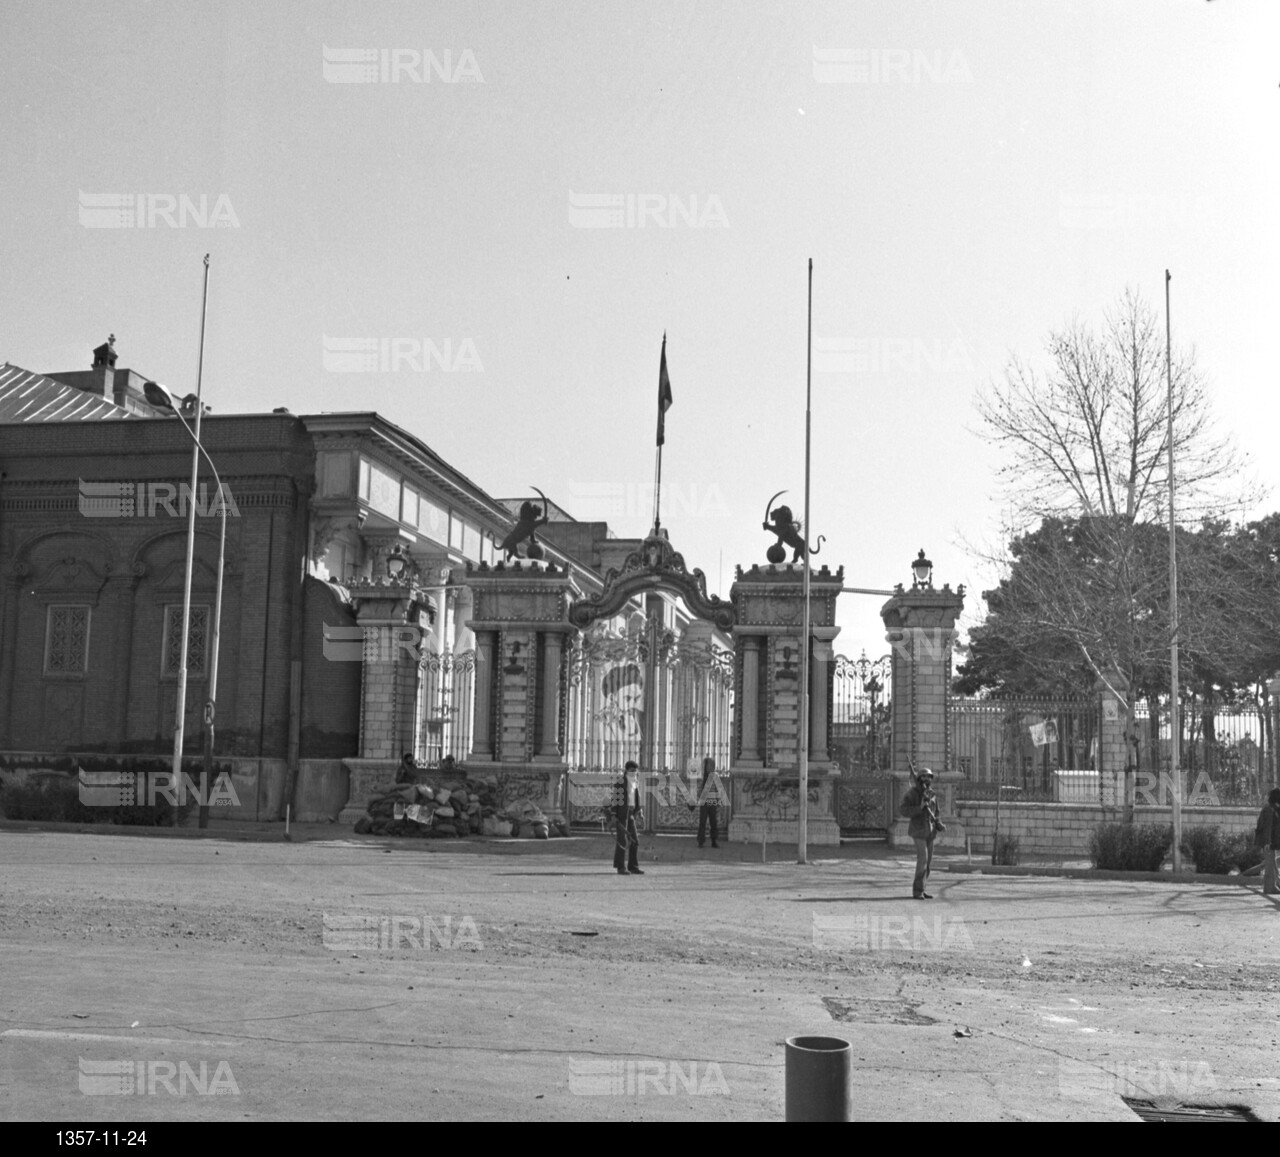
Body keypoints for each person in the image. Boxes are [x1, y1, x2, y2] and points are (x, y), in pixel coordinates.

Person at [899, 767, 946, 899]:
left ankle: (923, 887)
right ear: (919, 778)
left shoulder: (932, 794)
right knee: (923, 859)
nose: (926, 779)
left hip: (930, 831)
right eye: (924, 777)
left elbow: (936, 811)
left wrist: (939, 823)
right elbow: (903, 810)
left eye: (929, 777)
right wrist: (918, 808)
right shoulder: (913, 793)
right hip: (918, 829)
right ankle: (917, 891)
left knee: (929, 861)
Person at [612, 760, 644, 875]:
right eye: (631, 771)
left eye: (635, 771)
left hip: (631, 813)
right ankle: (620, 867)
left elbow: (636, 797)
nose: (633, 773)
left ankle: (633, 866)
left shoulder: (635, 782)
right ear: (626, 770)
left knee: (634, 840)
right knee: (622, 841)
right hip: (621, 814)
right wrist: (614, 815)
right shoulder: (621, 782)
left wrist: (639, 811)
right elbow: (615, 799)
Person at [1255, 788, 1280, 896]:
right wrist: (1267, 843)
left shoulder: (1273, 808)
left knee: (1271, 863)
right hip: (1268, 842)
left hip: (1271, 842)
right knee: (1269, 865)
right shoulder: (1269, 810)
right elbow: (1267, 828)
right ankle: (1269, 888)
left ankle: (1271, 886)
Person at [696, 756, 721, 849]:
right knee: (703, 822)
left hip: (711, 802)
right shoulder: (703, 778)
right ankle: (701, 841)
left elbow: (717, 789)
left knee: (713, 822)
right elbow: (699, 790)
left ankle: (713, 840)